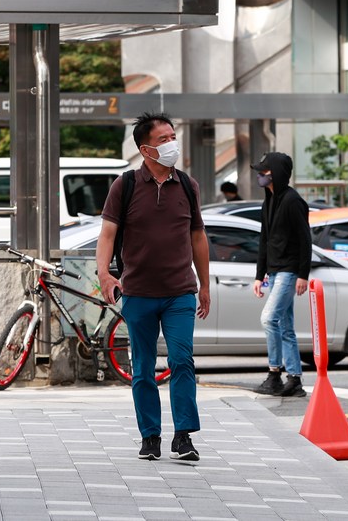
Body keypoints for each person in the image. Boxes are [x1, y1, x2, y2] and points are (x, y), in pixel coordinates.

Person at [96, 112, 210, 462]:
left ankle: (184, 435)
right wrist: (104, 274)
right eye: (164, 139)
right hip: (139, 293)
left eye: (173, 136)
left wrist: (204, 284)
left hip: (179, 292)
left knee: (182, 361)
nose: (172, 143)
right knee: (143, 368)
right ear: (146, 148)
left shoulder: (188, 185)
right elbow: (108, 234)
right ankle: (150, 436)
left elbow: (198, 236)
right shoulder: (125, 185)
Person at [251, 152, 310, 398]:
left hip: (289, 271)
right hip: (275, 272)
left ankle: (275, 373)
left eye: (264, 172)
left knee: (268, 319)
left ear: (276, 173)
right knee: (285, 327)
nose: (260, 176)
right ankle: (294, 379)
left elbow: (305, 239)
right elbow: (264, 241)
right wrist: (259, 275)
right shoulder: (269, 202)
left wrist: (303, 275)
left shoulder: (293, 201)